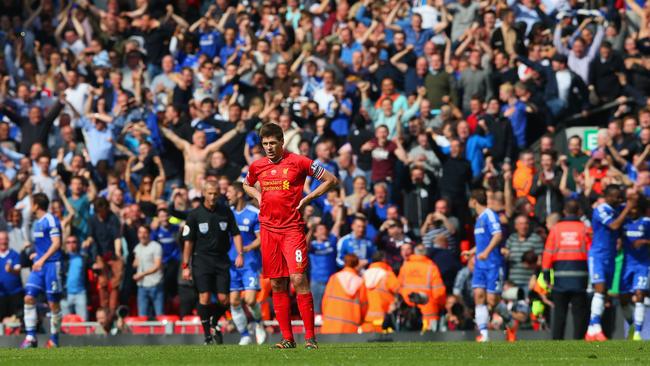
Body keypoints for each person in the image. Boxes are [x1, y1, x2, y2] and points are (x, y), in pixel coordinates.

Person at [242, 122, 338, 349]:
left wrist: (309, 198)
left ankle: (310, 338)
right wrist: (258, 194)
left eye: (272, 143)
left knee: (298, 279)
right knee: (277, 283)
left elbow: (331, 179)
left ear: (281, 142)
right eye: (265, 144)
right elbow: (246, 184)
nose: (269, 147)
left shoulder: (299, 161)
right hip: (268, 230)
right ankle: (287, 338)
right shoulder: (258, 166)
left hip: (292, 229)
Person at [181, 180, 244, 345]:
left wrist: (240, 254)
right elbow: (188, 242)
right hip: (201, 260)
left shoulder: (226, 212)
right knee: (205, 296)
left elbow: (236, 233)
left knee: (225, 299)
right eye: (210, 193)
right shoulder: (194, 215)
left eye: (216, 193)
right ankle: (207, 336)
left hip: (221, 260)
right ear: (203, 193)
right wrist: (185, 265)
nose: (213, 196)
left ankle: (214, 322)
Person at [462, 188, 514, 342]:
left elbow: (498, 235)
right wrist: (471, 252)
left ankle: (510, 322)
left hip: (493, 263)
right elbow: (483, 242)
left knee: (492, 300)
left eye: (470, 202)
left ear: (474, 201)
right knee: (478, 296)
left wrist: (486, 252)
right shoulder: (478, 219)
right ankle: (484, 335)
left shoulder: (490, 215)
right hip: (480, 264)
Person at [586, 185, 633, 341]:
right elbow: (614, 225)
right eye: (616, 196)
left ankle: (592, 331)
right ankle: (595, 326)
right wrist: (627, 209)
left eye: (620, 196)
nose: (619, 199)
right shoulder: (601, 209)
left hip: (611, 256)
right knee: (599, 290)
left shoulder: (616, 209)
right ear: (607, 196)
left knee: (605, 293)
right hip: (598, 255)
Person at [542, 200, 590, 340]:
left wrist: (546, 273)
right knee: (579, 312)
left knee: (559, 312)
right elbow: (590, 251)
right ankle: (578, 340)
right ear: (579, 212)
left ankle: (557, 341)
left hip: (560, 277)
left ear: (564, 211)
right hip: (580, 277)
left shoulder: (556, 229)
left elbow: (548, 252)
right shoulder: (584, 228)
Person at [226, 182, 266, 346]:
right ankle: (244, 335)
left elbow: (262, 238)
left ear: (239, 194)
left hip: (249, 263)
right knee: (234, 301)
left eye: (229, 192)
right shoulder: (227, 214)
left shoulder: (253, 213)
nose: (227, 195)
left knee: (250, 300)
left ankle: (259, 323)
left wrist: (246, 248)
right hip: (231, 263)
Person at [21, 193, 63, 348]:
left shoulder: (51, 220)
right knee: (28, 297)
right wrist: (36, 255)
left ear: (36, 205)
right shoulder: (37, 223)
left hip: (52, 265)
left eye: (31, 203)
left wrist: (42, 259)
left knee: (53, 304)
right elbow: (44, 245)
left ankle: (54, 339)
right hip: (39, 265)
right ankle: (31, 337)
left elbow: (56, 243)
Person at [619, 194, 649, 341]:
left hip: (642, 265)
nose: (632, 211)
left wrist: (644, 241)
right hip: (627, 264)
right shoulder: (623, 222)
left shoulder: (646, 222)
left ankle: (637, 332)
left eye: (635, 208)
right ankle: (632, 324)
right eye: (630, 208)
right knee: (623, 298)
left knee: (639, 295)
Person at [398, 244, 446, 332]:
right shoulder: (432, 267)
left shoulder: (405, 267)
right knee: (429, 342)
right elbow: (439, 293)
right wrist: (441, 306)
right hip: (428, 314)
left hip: (408, 313)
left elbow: (399, 288)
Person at [321, 254, 368, 334]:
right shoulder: (360, 282)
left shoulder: (334, 278)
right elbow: (364, 305)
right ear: (356, 264)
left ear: (344, 263)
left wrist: (325, 316)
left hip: (330, 325)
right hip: (350, 326)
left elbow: (325, 300)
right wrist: (361, 321)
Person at [362, 251, 400, 332]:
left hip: (366, 319)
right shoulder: (387, 274)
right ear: (383, 259)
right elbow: (398, 291)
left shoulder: (364, 275)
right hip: (384, 319)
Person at [133, 225, 164, 318]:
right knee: (142, 316)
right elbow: (136, 263)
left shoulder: (156, 246)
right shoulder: (137, 247)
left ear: (149, 234)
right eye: (140, 233)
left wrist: (142, 274)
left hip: (155, 284)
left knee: (159, 315)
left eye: (144, 233)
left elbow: (157, 266)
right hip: (142, 286)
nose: (142, 235)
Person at [0, 231, 22, 321]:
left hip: (15, 293)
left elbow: (18, 270)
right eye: (1, 239)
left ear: (8, 240)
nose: (3, 241)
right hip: (1, 295)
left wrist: (11, 270)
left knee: (16, 319)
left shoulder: (15, 255)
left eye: (5, 239)